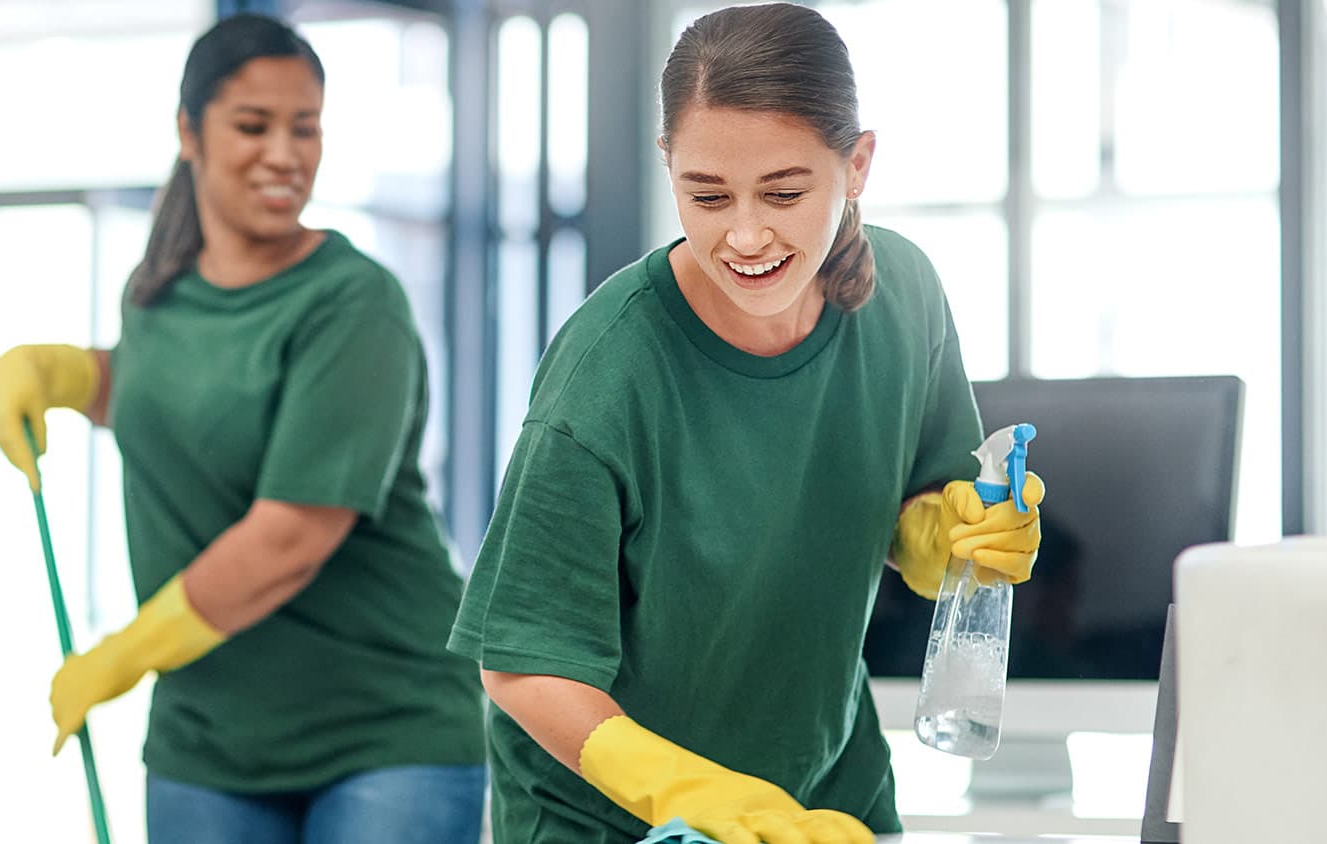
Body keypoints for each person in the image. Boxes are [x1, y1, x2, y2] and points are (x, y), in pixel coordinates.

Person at [446, 4, 1047, 844]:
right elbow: (521, 663)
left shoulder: (904, 296)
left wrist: (954, 534)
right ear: (670, 167)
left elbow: (917, 501)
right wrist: (685, 792)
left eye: (786, 192)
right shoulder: (608, 370)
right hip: (608, 818)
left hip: (826, 792)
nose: (747, 233)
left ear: (858, 163)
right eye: (707, 194)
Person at [0, 14, 485, 844]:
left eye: (305, 128)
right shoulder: (159, 288)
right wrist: (67, 374)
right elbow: (183, 399)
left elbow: (291, 537)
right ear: (189, 132)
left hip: (386, 734)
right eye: (253, 126)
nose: (284, 154)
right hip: (206, 741)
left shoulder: (354, 303)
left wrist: (124, 654)